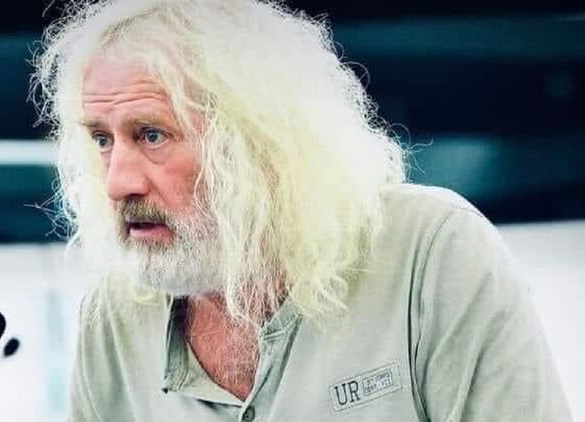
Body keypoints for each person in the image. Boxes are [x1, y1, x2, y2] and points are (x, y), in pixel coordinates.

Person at [32, 0, 572, 420]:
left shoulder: (432, 252)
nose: (117, 182)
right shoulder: (113, 318)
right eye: (101, 140)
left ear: (258, 142)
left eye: (152, 134)